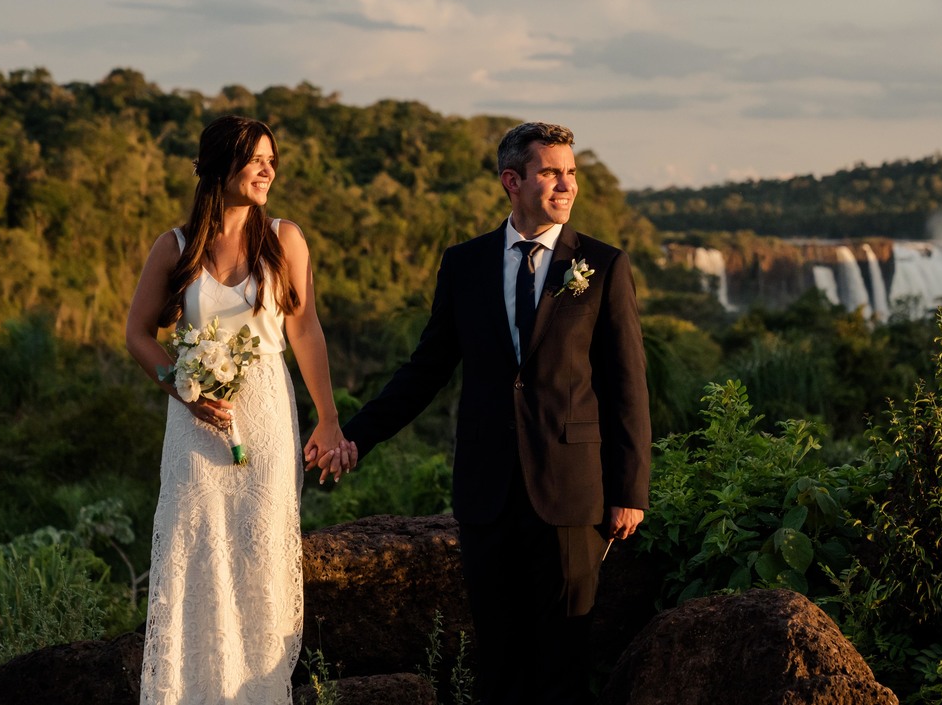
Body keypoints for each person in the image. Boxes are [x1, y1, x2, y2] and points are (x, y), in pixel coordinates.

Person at [342, 121, 652, 705]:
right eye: (550, 172)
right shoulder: (465, 264)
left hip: (571, 491)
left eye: (571, 173)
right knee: (499, 661)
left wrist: (629, 488)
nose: (566, 184)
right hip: (488, 494)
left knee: (564, 660)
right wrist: (355, 436)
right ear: (512, 181)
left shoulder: (604, 265)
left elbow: (626, 384)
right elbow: (426, 369)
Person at [126, 115, 357, 705]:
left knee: (259, 556)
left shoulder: (285, 238)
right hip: (193, 426)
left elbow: (304, 329)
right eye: (254, 158)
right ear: (218, 165)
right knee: (193, 550)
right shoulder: (175, 246)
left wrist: (328, 419)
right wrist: (180, 387)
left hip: (268, 419)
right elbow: (138, 334)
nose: (266, 170)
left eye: (271, 160)